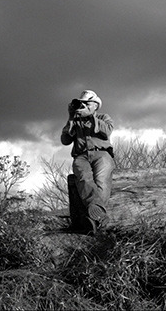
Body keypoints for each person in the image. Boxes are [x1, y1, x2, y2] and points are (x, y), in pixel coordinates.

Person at [61, 90, 115, 234]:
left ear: (95, 105)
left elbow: (107, 132)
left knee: (102, 181)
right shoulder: (75, 120)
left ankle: (93, 219)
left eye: (86, 103)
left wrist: (90, 117)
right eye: (81, 103)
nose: (83, 106)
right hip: (81, 156)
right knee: (84, 178)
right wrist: (71, 116)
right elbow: (65, 140)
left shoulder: (104, 117)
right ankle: (97, 217)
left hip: (101, 153)